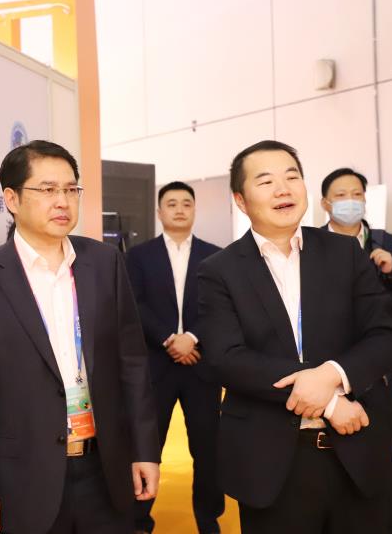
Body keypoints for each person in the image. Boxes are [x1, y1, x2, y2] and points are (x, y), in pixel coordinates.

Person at [0, 140, 160, 534]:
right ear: (11, 199)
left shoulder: (105, 263)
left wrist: (145, 450)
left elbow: (132, 363)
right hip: (23, 480)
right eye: (47, 189)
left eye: (70, 189)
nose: (62, 201)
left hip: (105, 470)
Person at [196, 140, 392, 533]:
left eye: (292, 177)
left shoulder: (345, 253)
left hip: (359, 450)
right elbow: (226, 358)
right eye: (266, 181)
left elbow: (385, 334)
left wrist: (332, 375)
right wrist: (330, 403)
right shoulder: (219, 270)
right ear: (240, 200)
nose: (283, 189)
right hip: (272, 461)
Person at [321, 167, 392, 533]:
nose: (350, 201)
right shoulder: (311, 244)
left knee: (382, 453)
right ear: (325, 203)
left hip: (379, 366)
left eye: (357, 194)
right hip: (329, 366)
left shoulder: (386, 241)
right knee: (331, 453)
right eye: (341, 195)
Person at [126, 181, 223, 534]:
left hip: (201, 365)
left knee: (207, 448)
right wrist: (169, 339)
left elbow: (219, 307)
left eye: (186, 203)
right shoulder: (138, 256)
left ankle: (208, 518)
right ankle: (139, 519)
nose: (179, 209)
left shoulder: (216, 256)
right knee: (147, 446)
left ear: (194, 210)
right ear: (159, 212)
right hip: (156, 365)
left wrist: (192, 338)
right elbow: (134, 304)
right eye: (171, 203)